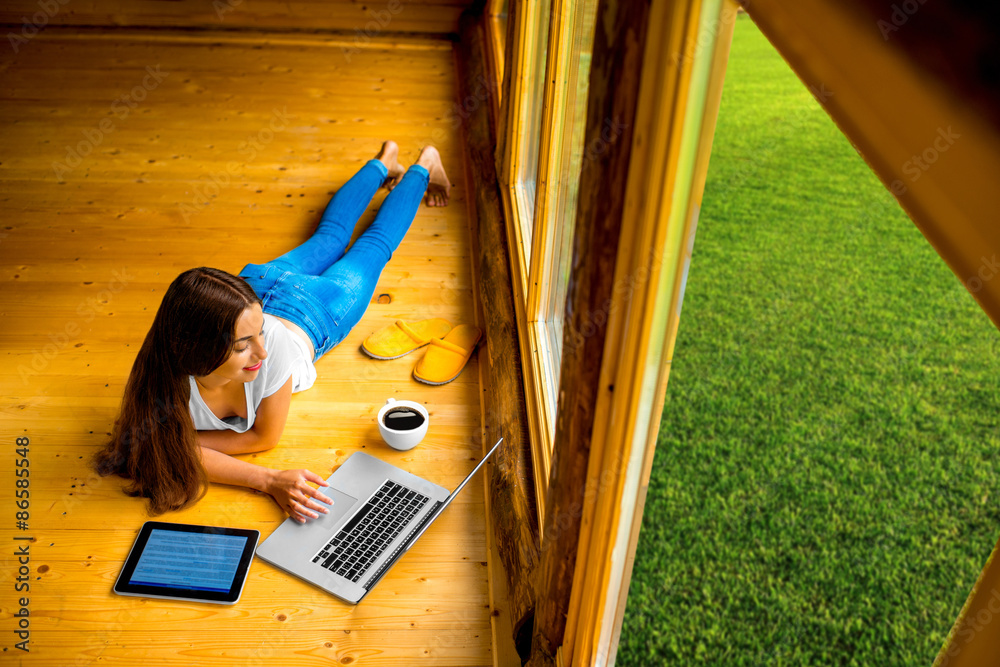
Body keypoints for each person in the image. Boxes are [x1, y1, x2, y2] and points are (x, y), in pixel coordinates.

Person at [93, 141, 451, 523]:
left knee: (365, 244)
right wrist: (165, 444)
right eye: (242, 347)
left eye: (258, 337)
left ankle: (419, 164)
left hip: (277, 299)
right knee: (332, 239)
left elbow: (263, 438)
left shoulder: (272, 343)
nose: (261, 355)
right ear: (195, 349)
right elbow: (145, 442)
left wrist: (170, 443)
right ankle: (389, 162)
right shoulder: (164, 369)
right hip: (252, 304)